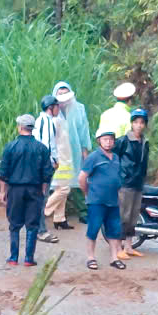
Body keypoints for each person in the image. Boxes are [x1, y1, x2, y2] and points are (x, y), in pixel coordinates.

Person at [0, 115, 54, 266]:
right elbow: (47, 173)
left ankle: (13, 257)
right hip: (34, 189)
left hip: (15, 189)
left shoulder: (11, 147)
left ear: (19, 127)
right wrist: (43, 190)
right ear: (32, 128)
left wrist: (3, 191)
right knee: (33, 224)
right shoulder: (41, 148)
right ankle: (29, 258)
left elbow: (3, 172)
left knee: (14, 224)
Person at [79, 130, 125, 270]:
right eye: (105, 139)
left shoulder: (116, 157)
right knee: (93, 228)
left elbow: (118, 177)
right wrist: (87, 193)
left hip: (113, 200)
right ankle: (91, 257)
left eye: (111, 139)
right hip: (96, 200)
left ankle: (114, 258)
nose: (108, 142)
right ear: (99, 140)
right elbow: (82, 178)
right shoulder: (93, 157)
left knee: (114, 230)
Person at [53, 81, 92, 224]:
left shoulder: (79, 108)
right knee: (58, 182)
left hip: (74, 151)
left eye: (65, 92)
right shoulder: (52, 109)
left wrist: (85, 152)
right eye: (60, 93)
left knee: (78, 181)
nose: (63, 96)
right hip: (57, 151)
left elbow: (83, 131)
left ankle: (83, 211)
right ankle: (57, 214)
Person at [114, 108, 150, 260]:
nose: (139, 125)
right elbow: (114, 158)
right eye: (136, 122)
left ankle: (128, 246)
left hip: (137, 183)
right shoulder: (123, 141)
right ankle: (117, 247)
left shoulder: (145, 142)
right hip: (125, 183)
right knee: (123, 215)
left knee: (133, 216)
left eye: (142, 123)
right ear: (131, 123)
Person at [32, 95, 64, 243]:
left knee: (40, 197)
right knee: (41, 197)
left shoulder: (42, 121)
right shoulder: (46, 122)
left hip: (39, 164)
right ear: (51, 107)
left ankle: (37, 227)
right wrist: (53, 161)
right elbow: (47, 145)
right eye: (57, 106)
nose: (59, 109)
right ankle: (40, 230)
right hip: (44, 165)